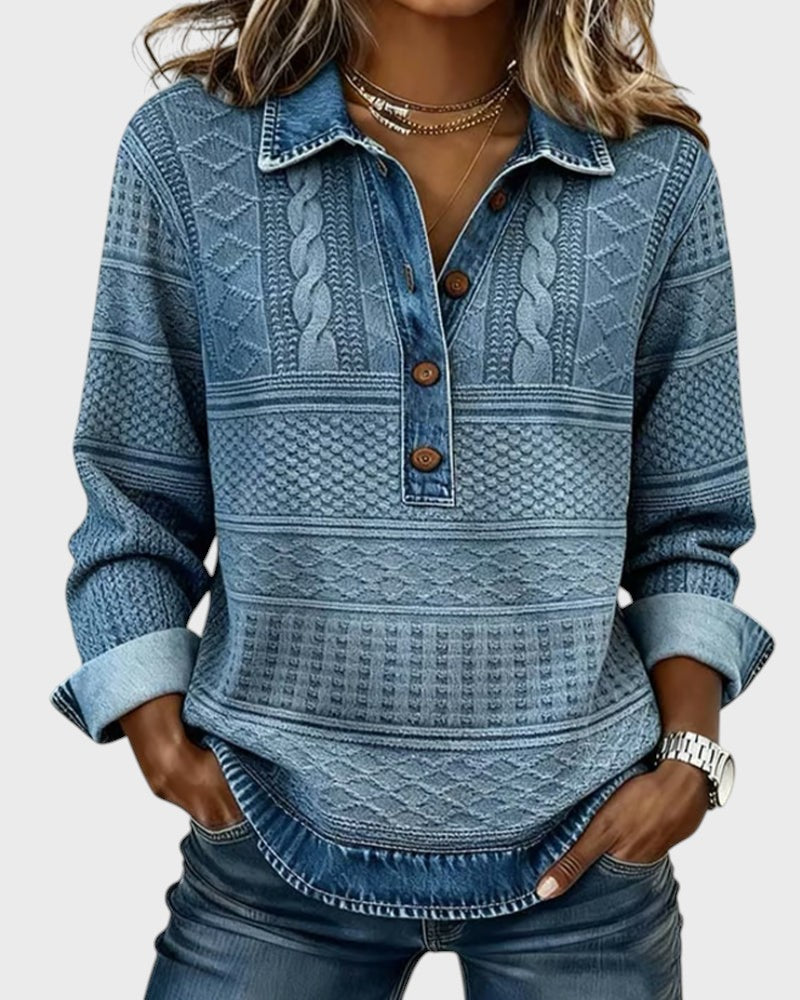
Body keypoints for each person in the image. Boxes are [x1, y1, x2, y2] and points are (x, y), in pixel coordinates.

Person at [49, 0, 775, 996]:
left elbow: (687, 523)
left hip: (587, 847)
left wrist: (689, 760)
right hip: (269, 837)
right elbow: (134, 493)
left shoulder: (655, 172)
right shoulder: (187, 150)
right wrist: (161, 739)